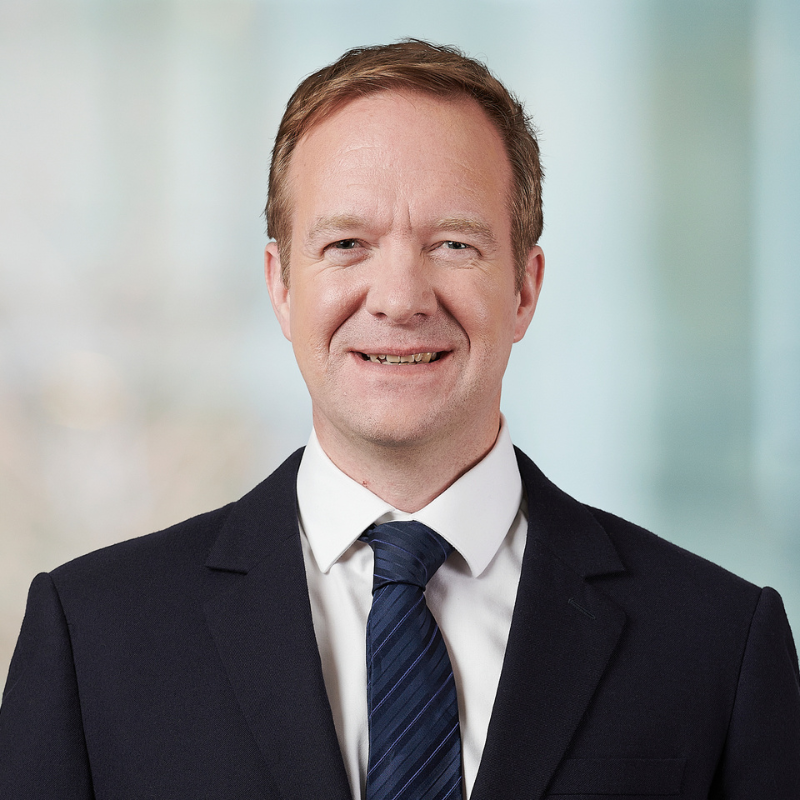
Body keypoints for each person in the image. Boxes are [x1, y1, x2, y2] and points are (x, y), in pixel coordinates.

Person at [1, 39, 799, 800]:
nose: (399, 298)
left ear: (525, 288)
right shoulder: (93, 636)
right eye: (347, 243)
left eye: (453, 244)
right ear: (281, 286)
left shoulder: (718, 643)